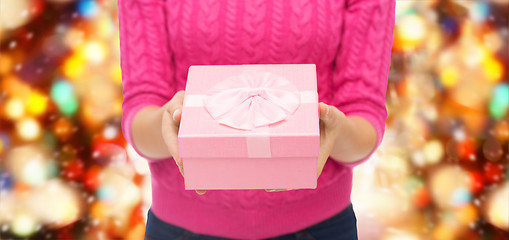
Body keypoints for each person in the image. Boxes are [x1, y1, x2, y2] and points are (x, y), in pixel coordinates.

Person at [117, 0, 395, 239]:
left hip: (319, 227)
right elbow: (141, 109)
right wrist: (167, 121)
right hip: (181, 228)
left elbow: (363, 117)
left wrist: (335, 129)